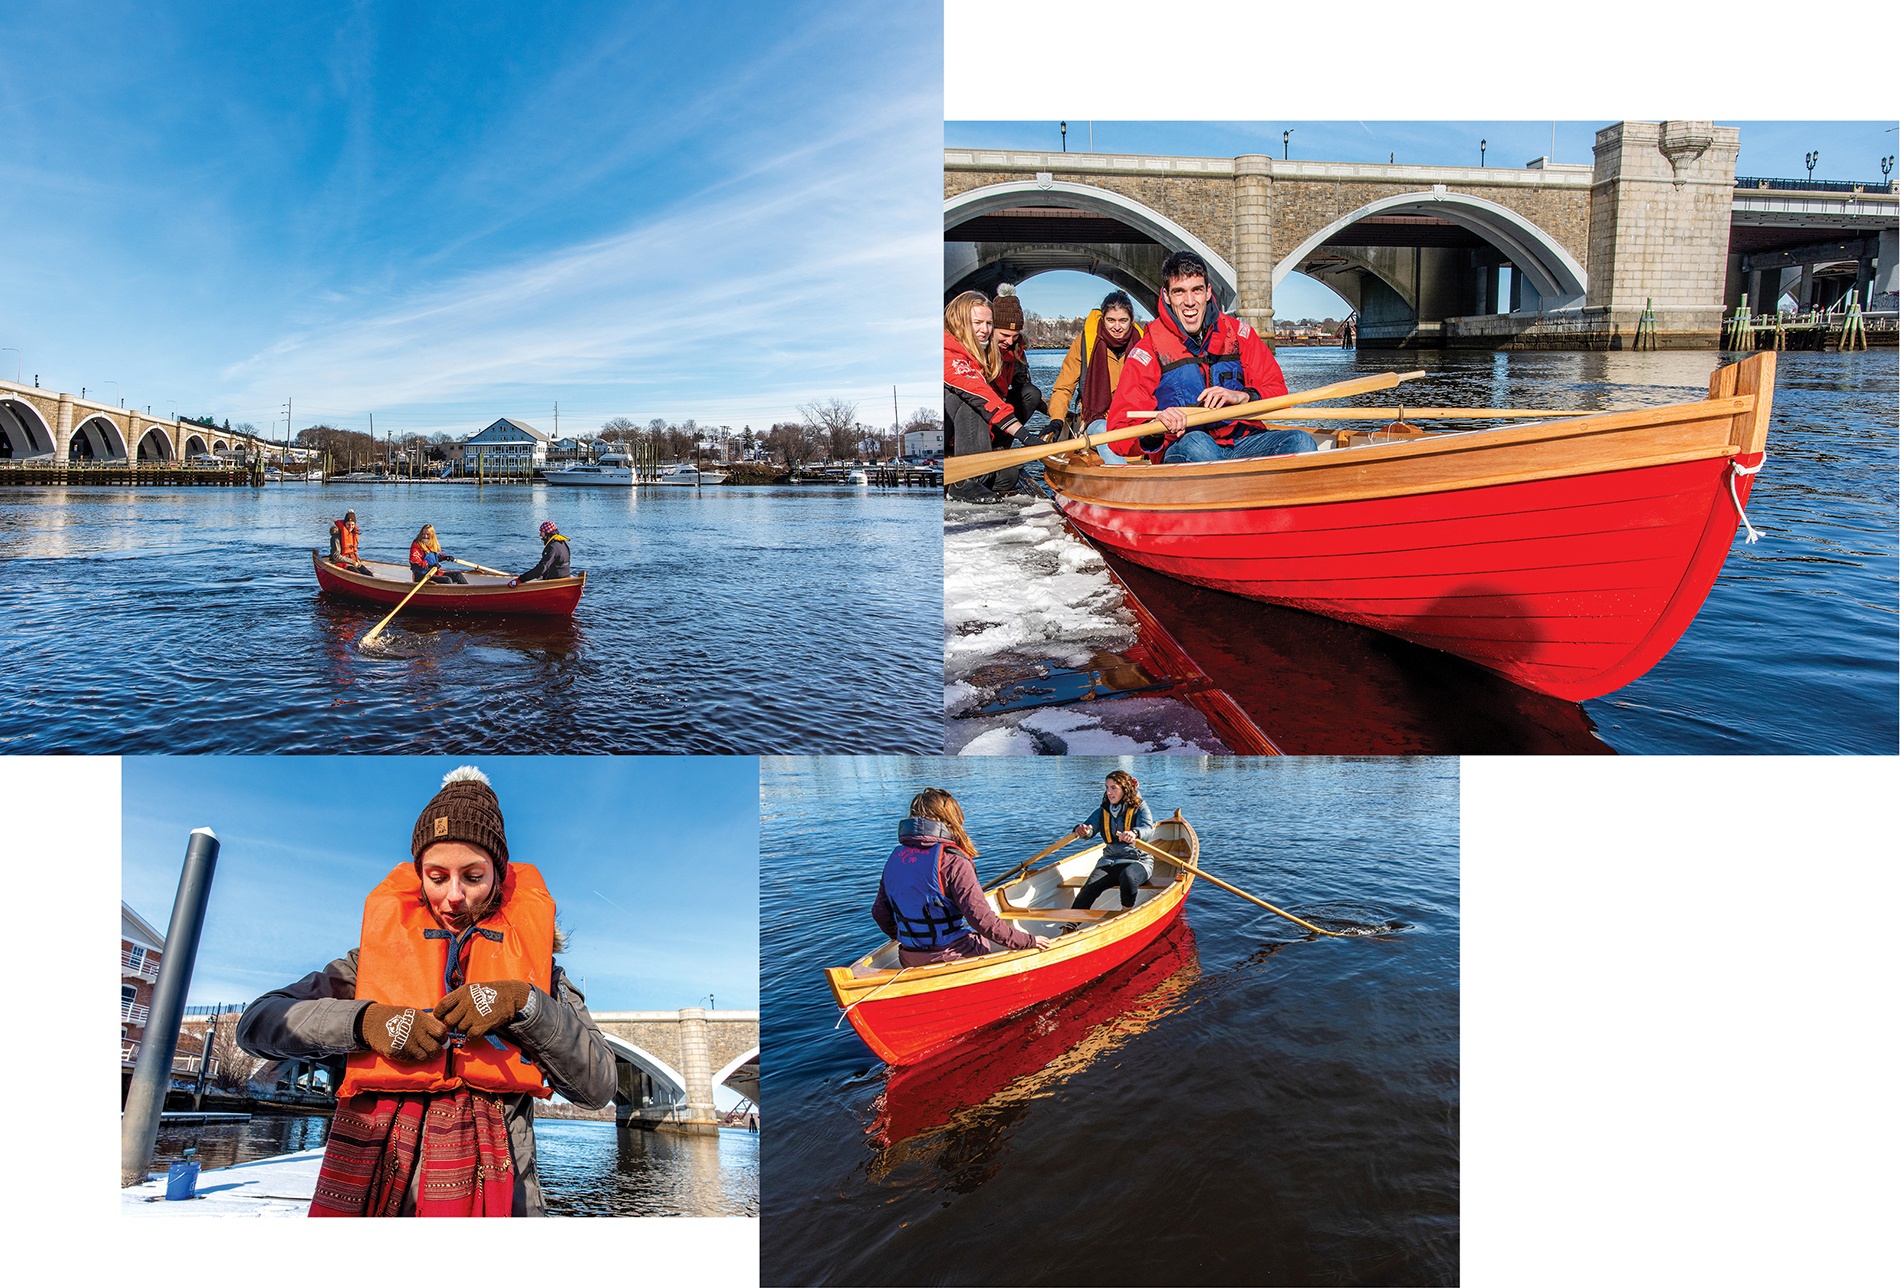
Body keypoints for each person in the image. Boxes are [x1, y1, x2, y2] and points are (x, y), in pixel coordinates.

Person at [235, 767, 616, 1217]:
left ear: (497, 875)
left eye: (473, 876)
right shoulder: (364, 966)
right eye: (437, 876)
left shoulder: (542, 976)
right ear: (419, 876)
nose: (454, 896)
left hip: (503, 1194)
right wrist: (366, 1022)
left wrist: (525, 1004)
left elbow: (600, 1086)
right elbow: (257, 1023)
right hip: (376, 1184)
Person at [1104, 250, 1316, 464]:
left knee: (1302, 442)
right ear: (1166, 296)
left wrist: (1242, 397)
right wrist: (1154, 428)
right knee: (1198, 443)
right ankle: (1240, 488)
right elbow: (1119, 431)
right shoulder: (1149, 350)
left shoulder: (1239, 335)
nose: (1189, 301)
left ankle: (1250, 489)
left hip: (1242, 442)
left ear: (1208, 292)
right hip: (1185, 446)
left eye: (1197, 290)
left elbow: (1280, 393)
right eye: (1179, 292)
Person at [872, 788, 1051, 965]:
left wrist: (907, 937)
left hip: (909, 957)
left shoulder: (896, 858)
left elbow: (880, 913)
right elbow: (982, 921)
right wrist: (1029, 941)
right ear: (951, 820)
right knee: (987, 941)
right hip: (953, 956)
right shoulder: (953, 861)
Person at [1046, 291, 1145, 463]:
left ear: (1131, 320)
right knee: (1105, 432)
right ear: (1102, 319)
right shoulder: (1085, 344)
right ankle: (1124, 480)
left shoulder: (1143, 344)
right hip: (1098, 419)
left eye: (1123, 321)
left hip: (1134, 418)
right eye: (1111, 320)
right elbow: (1064, 387)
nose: (1117, 327)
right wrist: (1056, 420)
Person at [943, 291, 1022, 504]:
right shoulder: (948, 353)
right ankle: (962, 481)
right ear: (960, 322)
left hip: (969, 438)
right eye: (977, 322)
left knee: (1010, 476)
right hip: (948, 437)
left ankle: (977, 474)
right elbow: (979, 393)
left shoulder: (978, 353)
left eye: (988, 323)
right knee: (972, 401)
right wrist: (1022, 433)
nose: (985, 330)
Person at [1069, 770, 1159, 912]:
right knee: (1090, 886)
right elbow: (1090, 828)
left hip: (1138, 861)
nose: (1109, 792)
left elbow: (1147, 829)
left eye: (1113, 788)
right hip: (1110, 861)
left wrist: (1135, 833)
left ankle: (1125, 914)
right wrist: (1083, 829)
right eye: (1107, 788)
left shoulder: (1140, 807)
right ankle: (1070, 925)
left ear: (1125, 789)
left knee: (1128, 877)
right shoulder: (1103, 810)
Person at [514, 520, 570, 584]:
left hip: (556, 580)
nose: (540, 534)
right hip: (565, 576)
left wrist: (521, 579)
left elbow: (542, 567)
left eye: (541, 532)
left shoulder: (552, 547)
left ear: (547, 532)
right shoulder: (561, 542)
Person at [327, 510, 371, 574]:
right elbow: (336, 556)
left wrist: (357, 560)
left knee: (368, 574)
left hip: (352, 561)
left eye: (352, 524)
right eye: (348, 524)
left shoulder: (353, 534)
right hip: (342, 562)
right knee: (357, 574)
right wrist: (352, 562)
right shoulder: (336, 537)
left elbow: (353, 551)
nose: (350, 527)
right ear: (345, 524)